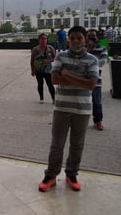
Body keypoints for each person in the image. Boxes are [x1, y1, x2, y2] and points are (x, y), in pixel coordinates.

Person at [39, 26, 98, 192]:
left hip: (82, 109)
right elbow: (55, 79)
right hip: (61, 108)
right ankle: (51, 175)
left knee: (77, 144)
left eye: (79, 38)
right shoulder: (60, 56)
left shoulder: (92, 59)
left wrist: (67, 74)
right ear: (68, 39)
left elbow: (91, 84)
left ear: (85, 39)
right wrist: (80, 79)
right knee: (57, 144)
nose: (76, 41)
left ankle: (71, 174)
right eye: (73, 38)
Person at [86, 29, 107, 131]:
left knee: (97, 102)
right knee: (83, 101)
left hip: (96, 81)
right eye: (89, 36)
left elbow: (102, 62)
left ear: (97, 37)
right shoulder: (83, 48)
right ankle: (80, 120)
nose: (91, 38)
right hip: (83, 80)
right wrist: (88, 49)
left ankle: (98, 121)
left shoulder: (102, 47)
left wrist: (89, 63)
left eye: (93, 36)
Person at [30, 33, 56, 104]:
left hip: (48, 70)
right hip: (38, 70)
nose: (44, 40)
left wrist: (47, 61)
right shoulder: (35, 49)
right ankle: (41, 98)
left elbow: (54, 58)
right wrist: (32, 70)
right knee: (40, 84)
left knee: (50, 84)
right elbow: (32, 61)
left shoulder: (50, 48)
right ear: (39, 40)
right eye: (42, 39)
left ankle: (54, 99)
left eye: (45, 39)